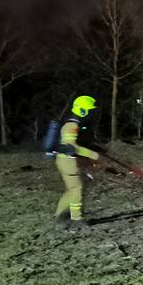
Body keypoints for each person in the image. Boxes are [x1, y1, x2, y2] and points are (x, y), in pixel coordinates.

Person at [54, 95, 101, 226]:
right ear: (82, 110)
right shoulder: (71, 126)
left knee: (72, 189)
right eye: (90, 111)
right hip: (68, 162)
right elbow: (72, 146)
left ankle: (60, 215)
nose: (91, 114)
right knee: (77, 188)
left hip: (69, 161)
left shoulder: (76, 125)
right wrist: (92, 154)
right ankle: (76, 218)